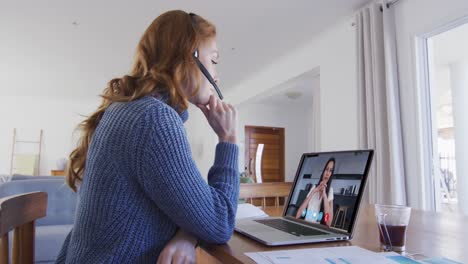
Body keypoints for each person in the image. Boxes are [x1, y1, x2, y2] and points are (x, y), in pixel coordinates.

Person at [56, 10, 239, 263]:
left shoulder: (130, 110)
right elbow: (220, 223)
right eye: (214, 60)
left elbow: (187, 206)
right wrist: (228, 139)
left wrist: (187, 234)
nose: (216, 75)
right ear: (189, 56)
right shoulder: (154, 120)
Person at [295, 158, 335, 227]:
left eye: (330, 171)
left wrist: (324, 195)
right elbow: (298, 215)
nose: (327, 173)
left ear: (332, 174)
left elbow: (328, 223)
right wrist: (313, 192)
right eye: (326, 169)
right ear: (323, 171)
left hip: (317, 228)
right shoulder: (314, 188)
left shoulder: (330, 191)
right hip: (305, 226)